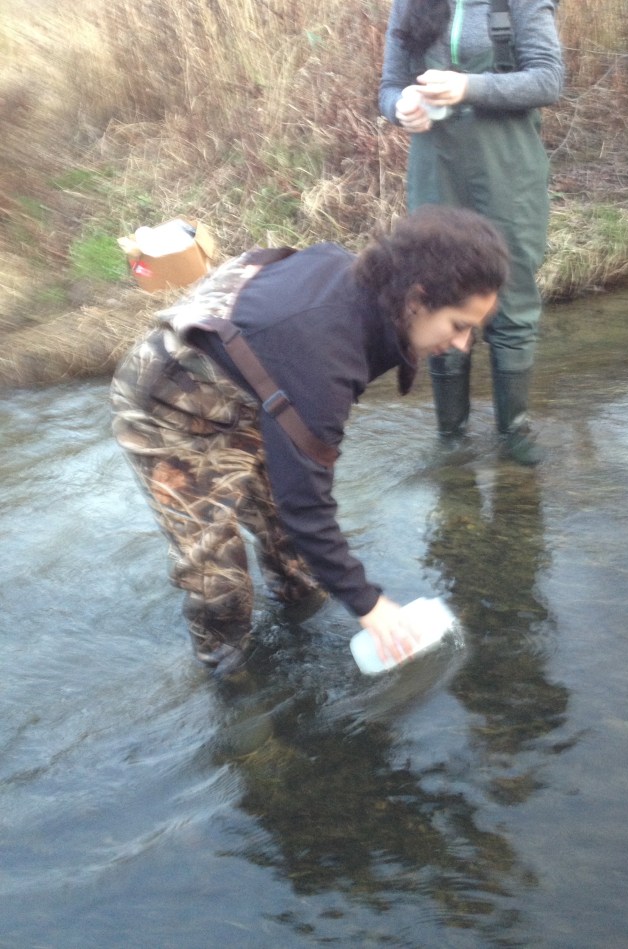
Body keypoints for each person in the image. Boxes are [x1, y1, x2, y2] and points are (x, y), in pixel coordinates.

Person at [110, 205, 509, 678]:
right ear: (417, 300)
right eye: (459, 325)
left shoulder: (372, 288)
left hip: (255, 386)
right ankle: (231, 677)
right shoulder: (324, 355)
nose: (463, 344)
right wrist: (369, 605)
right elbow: (307, 504)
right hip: (167, 406)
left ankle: (299, 622)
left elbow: (296, 500)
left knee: (290, 551)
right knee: (218, 579)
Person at [379, 0, 564, 464]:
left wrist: (469, 87)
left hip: (509, 170)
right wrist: (399, 107)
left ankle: (513, 431)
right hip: (434, 169)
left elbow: (548, 79)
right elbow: (389, 86)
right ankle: (451, 435)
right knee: (437, 293)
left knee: (513, 295)